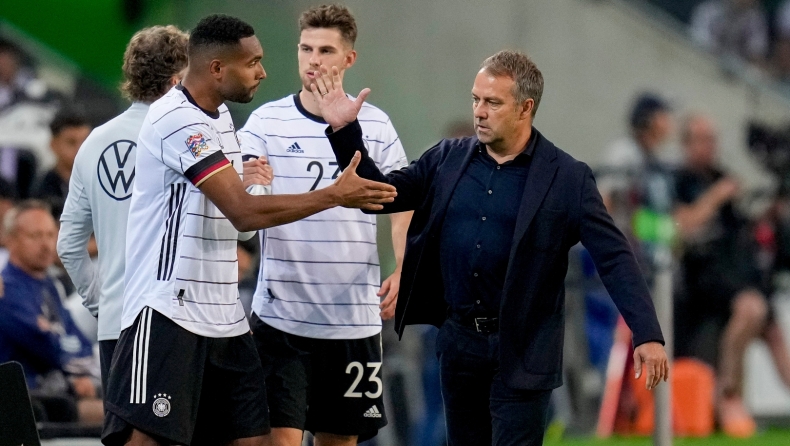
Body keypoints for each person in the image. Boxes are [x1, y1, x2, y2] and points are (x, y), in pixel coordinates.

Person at [313, 50, 669, 445]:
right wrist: (345, 131)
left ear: (525, 108)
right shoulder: (446, 158)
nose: (479, 112)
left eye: (493, 103)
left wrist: (647, 333)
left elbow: (614, 257)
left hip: (524, 350)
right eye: (476, 99)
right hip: (460, 346)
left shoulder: (568, 178)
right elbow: (378, 196)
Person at [101, 14, 396, 446]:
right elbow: (243, 213)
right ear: (217, 68)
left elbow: (234, 222)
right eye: (253, 62)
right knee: (148, 440)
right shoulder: (177, 120)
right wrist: (334, 195)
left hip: (225, 316)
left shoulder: (222, 118)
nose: (263, 72)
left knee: (254, 439)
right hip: (168, 311)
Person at [238, 5, 409, 445]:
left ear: (348, 59)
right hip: (281, 320)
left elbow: (402, 202)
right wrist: (252, 183)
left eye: (326, 50)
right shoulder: (266, 123)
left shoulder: (376, 124)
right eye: (306, 48)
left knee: (340, 441)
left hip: (352, 319)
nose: (313, 60)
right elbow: (248, 203)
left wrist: (403, 265)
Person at [56, 25, 189, 393]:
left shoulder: (93, 142)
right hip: (173, 324)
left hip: (116, 325)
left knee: (124, 425)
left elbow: (68, 245)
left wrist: (104, 304)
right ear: (177, 79)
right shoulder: (185, 139)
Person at [672, 114, 790, 438]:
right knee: (751, 308)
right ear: (687, 144)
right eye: (703, 139)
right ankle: (728, 396)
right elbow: (681, 226)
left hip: (737, 272)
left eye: (713, 139)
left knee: (773, 332)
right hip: (703, 277)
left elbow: (742, 229)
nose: (710, 146)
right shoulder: (680, 180)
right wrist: (716, 196)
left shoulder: (721, 176)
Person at [0, 200, 102, 424]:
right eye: (35, 236)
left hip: (59, 387)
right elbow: (46, 346)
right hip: (29, 394)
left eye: (50, 235)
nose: (46, 245)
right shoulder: (6, 289)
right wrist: (74, 368)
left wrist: (57, 336)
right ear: (10, 239)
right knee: (119, 416)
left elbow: (77, 340)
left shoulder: (51, 285)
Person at [32, 109, 92, 220]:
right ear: (53, 145)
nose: (80, 149)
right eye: (71, 142)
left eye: (85, 141)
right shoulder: (42, 191)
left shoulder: (102, 183)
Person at [690, 0, 769, 64]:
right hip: (706, 61)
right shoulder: (709, 10)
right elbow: (698, 41)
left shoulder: (756, 21)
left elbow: (756, 55)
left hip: (736, 72)